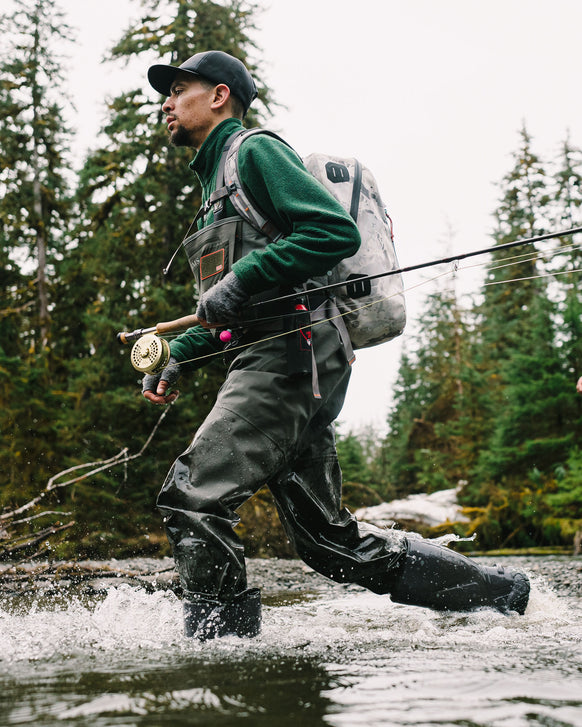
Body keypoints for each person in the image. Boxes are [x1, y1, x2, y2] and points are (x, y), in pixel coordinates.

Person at [143, 50, 530, 640]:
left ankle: (220, 669)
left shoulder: (252, 151)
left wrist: (239, 281)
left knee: (194, 497)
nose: (166, 102)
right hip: (290, 355)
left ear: (220, 95)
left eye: (178, 89)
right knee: (330, 544)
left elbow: (332, 230)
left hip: (293, 353)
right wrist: (178, 354)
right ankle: (505, 597)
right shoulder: (209, 192)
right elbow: (232, 317)